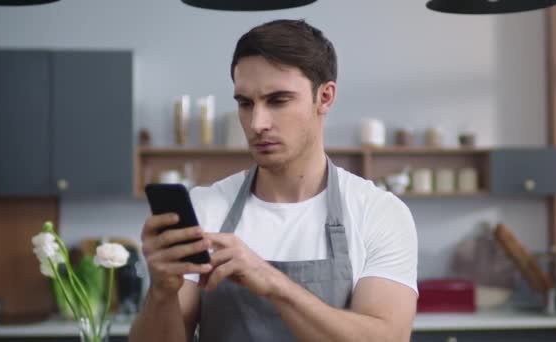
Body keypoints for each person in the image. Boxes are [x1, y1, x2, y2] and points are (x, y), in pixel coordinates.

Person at [129, 19, 418, 342]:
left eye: (278, 100)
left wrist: (274, 284)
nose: (257, 123)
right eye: (245, 103)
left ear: (324, 97)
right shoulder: (205, 209)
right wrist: (161, 293)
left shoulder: (378, 213)